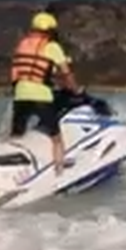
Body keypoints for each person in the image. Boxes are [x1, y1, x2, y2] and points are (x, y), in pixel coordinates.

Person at [7, 10, 80, 173]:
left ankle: (11, 169)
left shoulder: (23, 43)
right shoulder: (52, 46)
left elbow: (15, 72)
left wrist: (18, 89)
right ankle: (59, 172)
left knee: (16, 136)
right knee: (56, 139)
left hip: (20, 95)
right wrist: (76, 90)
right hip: (41, 96)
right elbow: (66, 72)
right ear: (50, 31)